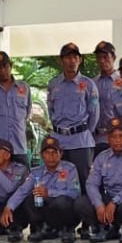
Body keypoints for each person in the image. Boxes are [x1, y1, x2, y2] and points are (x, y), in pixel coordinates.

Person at [5, 135, 83, 243]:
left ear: (61, 154)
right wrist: (9, 207)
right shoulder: (36, 172)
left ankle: (68, 230)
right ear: (42, 155)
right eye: (47, 153)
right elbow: (23, 190)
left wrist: (49, 193)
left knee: (61, 201)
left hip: (65, 213)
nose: (51, 156)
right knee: (31, 198)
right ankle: (43, 228)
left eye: (54, 152)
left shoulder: (70, 168)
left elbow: (75, 193)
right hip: (48, 214)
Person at [80, 117, 122, 243]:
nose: (118, 140)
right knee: (82, 203)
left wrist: (115, 201)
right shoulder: (102, 157)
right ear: (108, 138)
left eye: (121, 136)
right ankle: (104, 227)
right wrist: (99, 205)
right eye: (113, 137)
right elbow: (91, 183)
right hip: (108, 198)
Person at [47, 42, 100, 186]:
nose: (72, 61)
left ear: (80, 60)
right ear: (61, 61)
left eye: (75, 57)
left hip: (80, 141)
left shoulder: (88, 84)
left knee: (84, 182)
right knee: (59, 182)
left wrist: (83, 131)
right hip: (58, 141)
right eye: (68, 58)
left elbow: (94, 113)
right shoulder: (53, 84)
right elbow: (50, 109)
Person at [92, 41, 121, 128]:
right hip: (96, 133)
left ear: (114, 58)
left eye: (105, 57)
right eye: (99, 57)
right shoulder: (92, 83)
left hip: (117, 132)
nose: (102, 61)